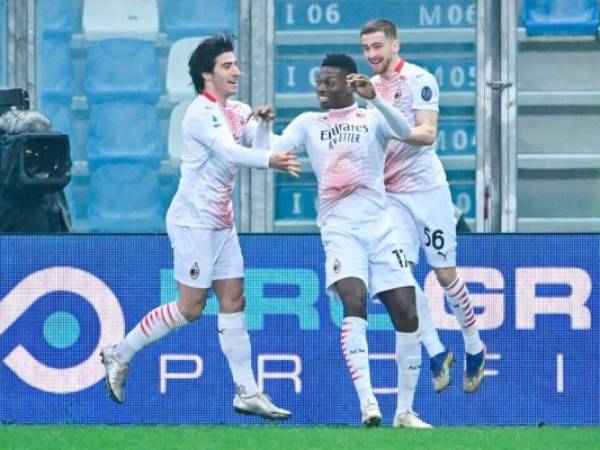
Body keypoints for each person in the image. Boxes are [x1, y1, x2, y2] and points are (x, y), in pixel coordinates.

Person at [100, 34, 299, 420]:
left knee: (234, 299)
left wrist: (263, 127)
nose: (236, 71)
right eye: (227, 65)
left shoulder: (237, 109)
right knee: (191, 308)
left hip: (221, 221)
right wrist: (270, 159)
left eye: (236, 64)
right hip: (193, 220)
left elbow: (259, 142)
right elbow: (229, 151)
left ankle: (247, 391)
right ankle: (119, 354)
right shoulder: (199, 113)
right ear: (207, 74)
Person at [270, 54, 422, 428]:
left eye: (328, 82)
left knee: (408, 314)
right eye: (318, 82)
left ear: (348, 82)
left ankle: (405, 411)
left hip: (381, 229)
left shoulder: (371, 117)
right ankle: (368, 404)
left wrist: (376, 98)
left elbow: (407, 132)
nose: (321, 88)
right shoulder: (309, 123)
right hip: (340, 228)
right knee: (354, 301)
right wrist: (260, 127)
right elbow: (274, 147)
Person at [360, 20, 486, 406]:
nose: (372, 55)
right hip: (392, 195)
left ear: (395, 44)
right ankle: (435, 351)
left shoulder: (419, 79)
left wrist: (380, 108)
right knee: (395, 278)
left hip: (427, 191)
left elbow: (427, 133)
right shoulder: (368, 89)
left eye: (377, 46)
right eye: (365, 49)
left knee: (446, 276)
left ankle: (475, 346)